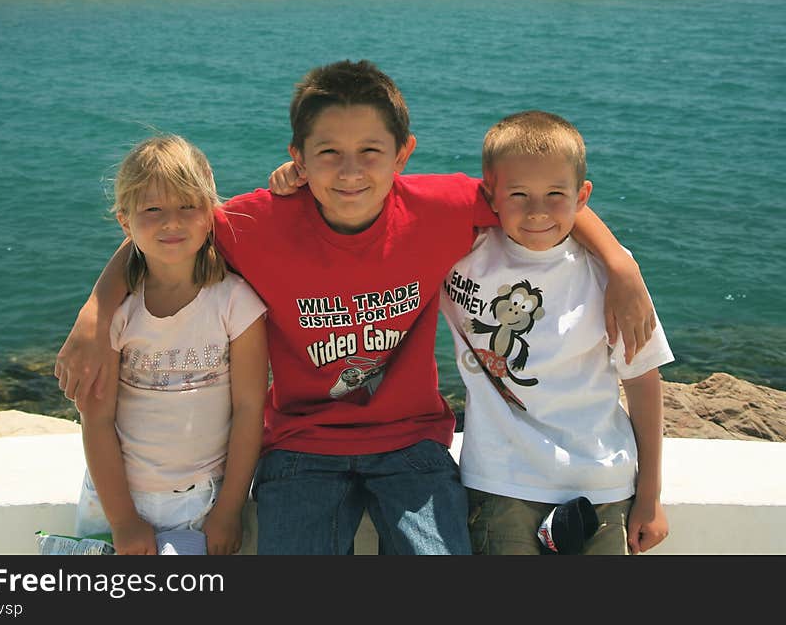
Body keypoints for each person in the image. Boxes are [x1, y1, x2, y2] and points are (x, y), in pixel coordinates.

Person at [57, 60, 655, 555]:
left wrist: (620, 266)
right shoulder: (256, 222)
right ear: (298, 155)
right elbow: (167, 228)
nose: (349, 171)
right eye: (328, 153)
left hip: (412, 443)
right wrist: (94, 313)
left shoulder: (440, 208)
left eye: (370, 151)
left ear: (403, 154)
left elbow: (542, 195)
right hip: (300, 444)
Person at [439, 110, 672, 555]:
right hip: (500, 481)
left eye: (555, 195)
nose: (537, 211)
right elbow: (378, 204)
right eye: (519, 194)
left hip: (602, 483)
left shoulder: (611, 277)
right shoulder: (461, 254)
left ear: (583, 195)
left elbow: (643, 383)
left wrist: (650, 496)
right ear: (490, 194)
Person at [76, 135, 268, 555]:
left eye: (187, 206)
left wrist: (229, 509)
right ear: (125, 222)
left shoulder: (237, 303)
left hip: (207, 501)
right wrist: (123, 519)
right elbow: (97, 419)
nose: (172, 222)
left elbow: (251, 407)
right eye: (152, 210)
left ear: (210, 214)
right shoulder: (118, 314)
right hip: (119, 501)